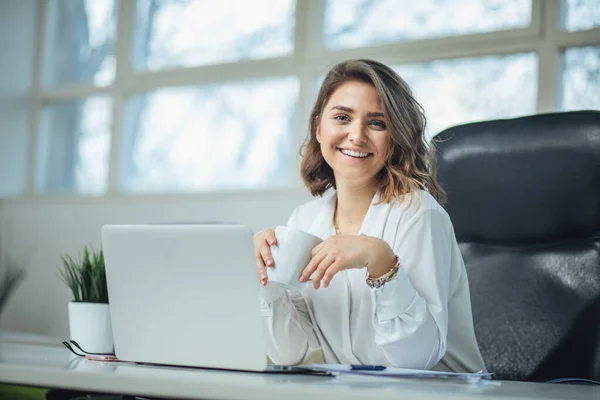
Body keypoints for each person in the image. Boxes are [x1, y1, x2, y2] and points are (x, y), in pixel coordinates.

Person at [253, 59, 486, 373]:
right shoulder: (304, 219)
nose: (357, 135)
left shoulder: (419, 215)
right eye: (342, 117)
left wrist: (381, 262)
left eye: (377, 123)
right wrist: (263, 280)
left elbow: (416, 361)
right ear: (319, 127)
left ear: (395, 137)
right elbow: (292, 353)